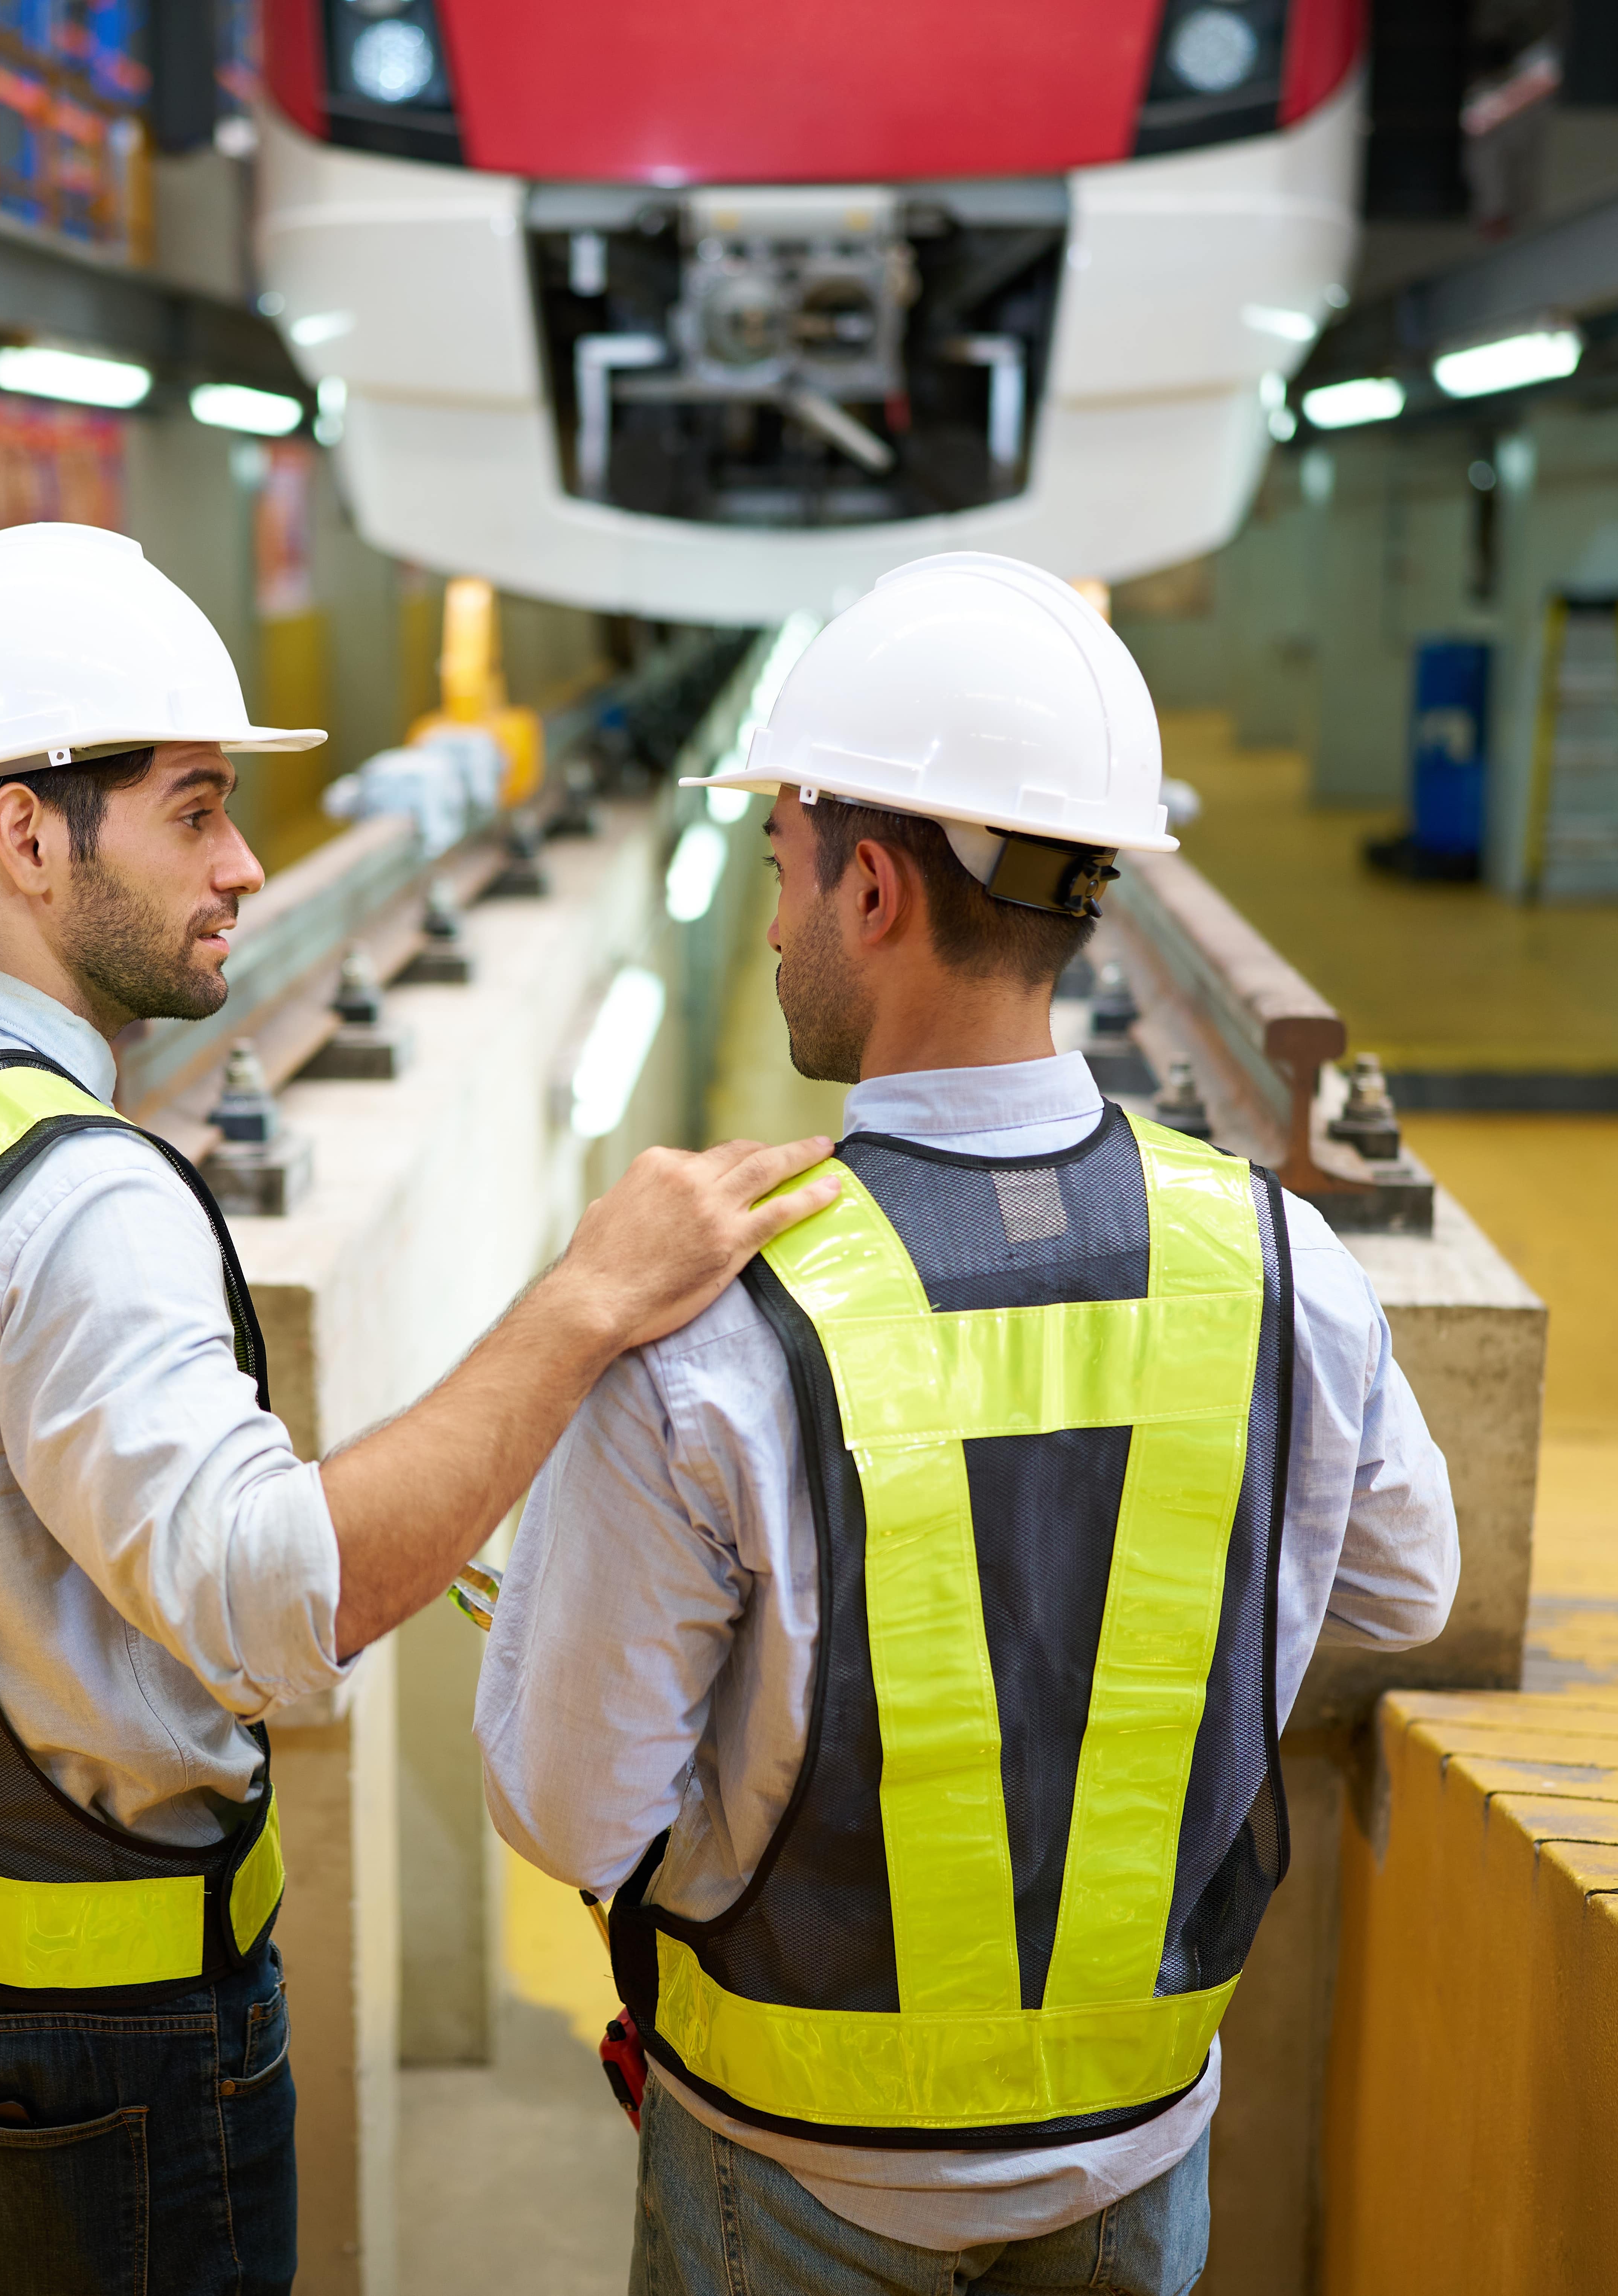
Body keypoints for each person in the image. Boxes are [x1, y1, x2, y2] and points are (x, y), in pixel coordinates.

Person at [0, 521, 837, 2295]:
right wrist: (584, 1299)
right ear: (28, 835)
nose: (244, 867)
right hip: (106, 2052)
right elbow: (273, 1600)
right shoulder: (78, 1207)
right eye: (198, 808)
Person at [475, 553, 1462, 2296]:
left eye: (778, 871)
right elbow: (1400, 1591)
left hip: (784, 2163)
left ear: (870, 889)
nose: (770, 924)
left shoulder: (709, 1326)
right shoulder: (1277, 1265)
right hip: (1135, 2150)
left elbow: (567, 1808)